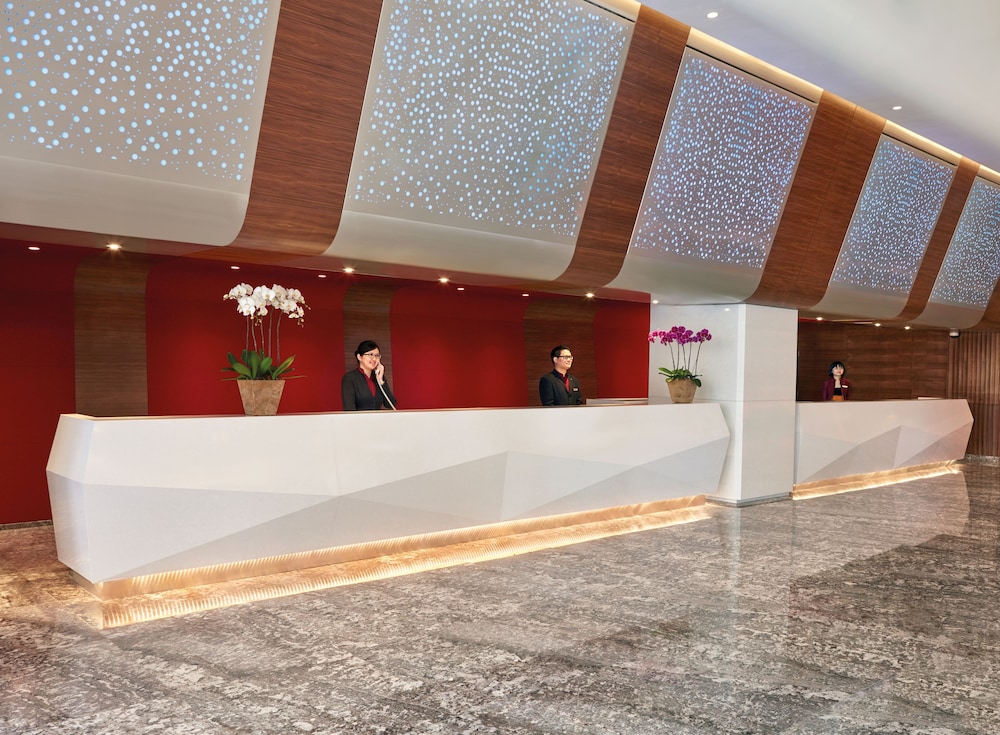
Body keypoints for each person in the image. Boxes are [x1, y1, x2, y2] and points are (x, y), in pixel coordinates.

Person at [342, 340, 397, 411]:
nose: (374, 359)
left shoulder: (378, 377)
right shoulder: (350, 378)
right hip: (359, 418)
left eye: (377, 356)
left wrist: (381, 381)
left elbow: (390, 404)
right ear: (359, 357)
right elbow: (349, 409)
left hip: (377, 418)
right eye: (370, 355)